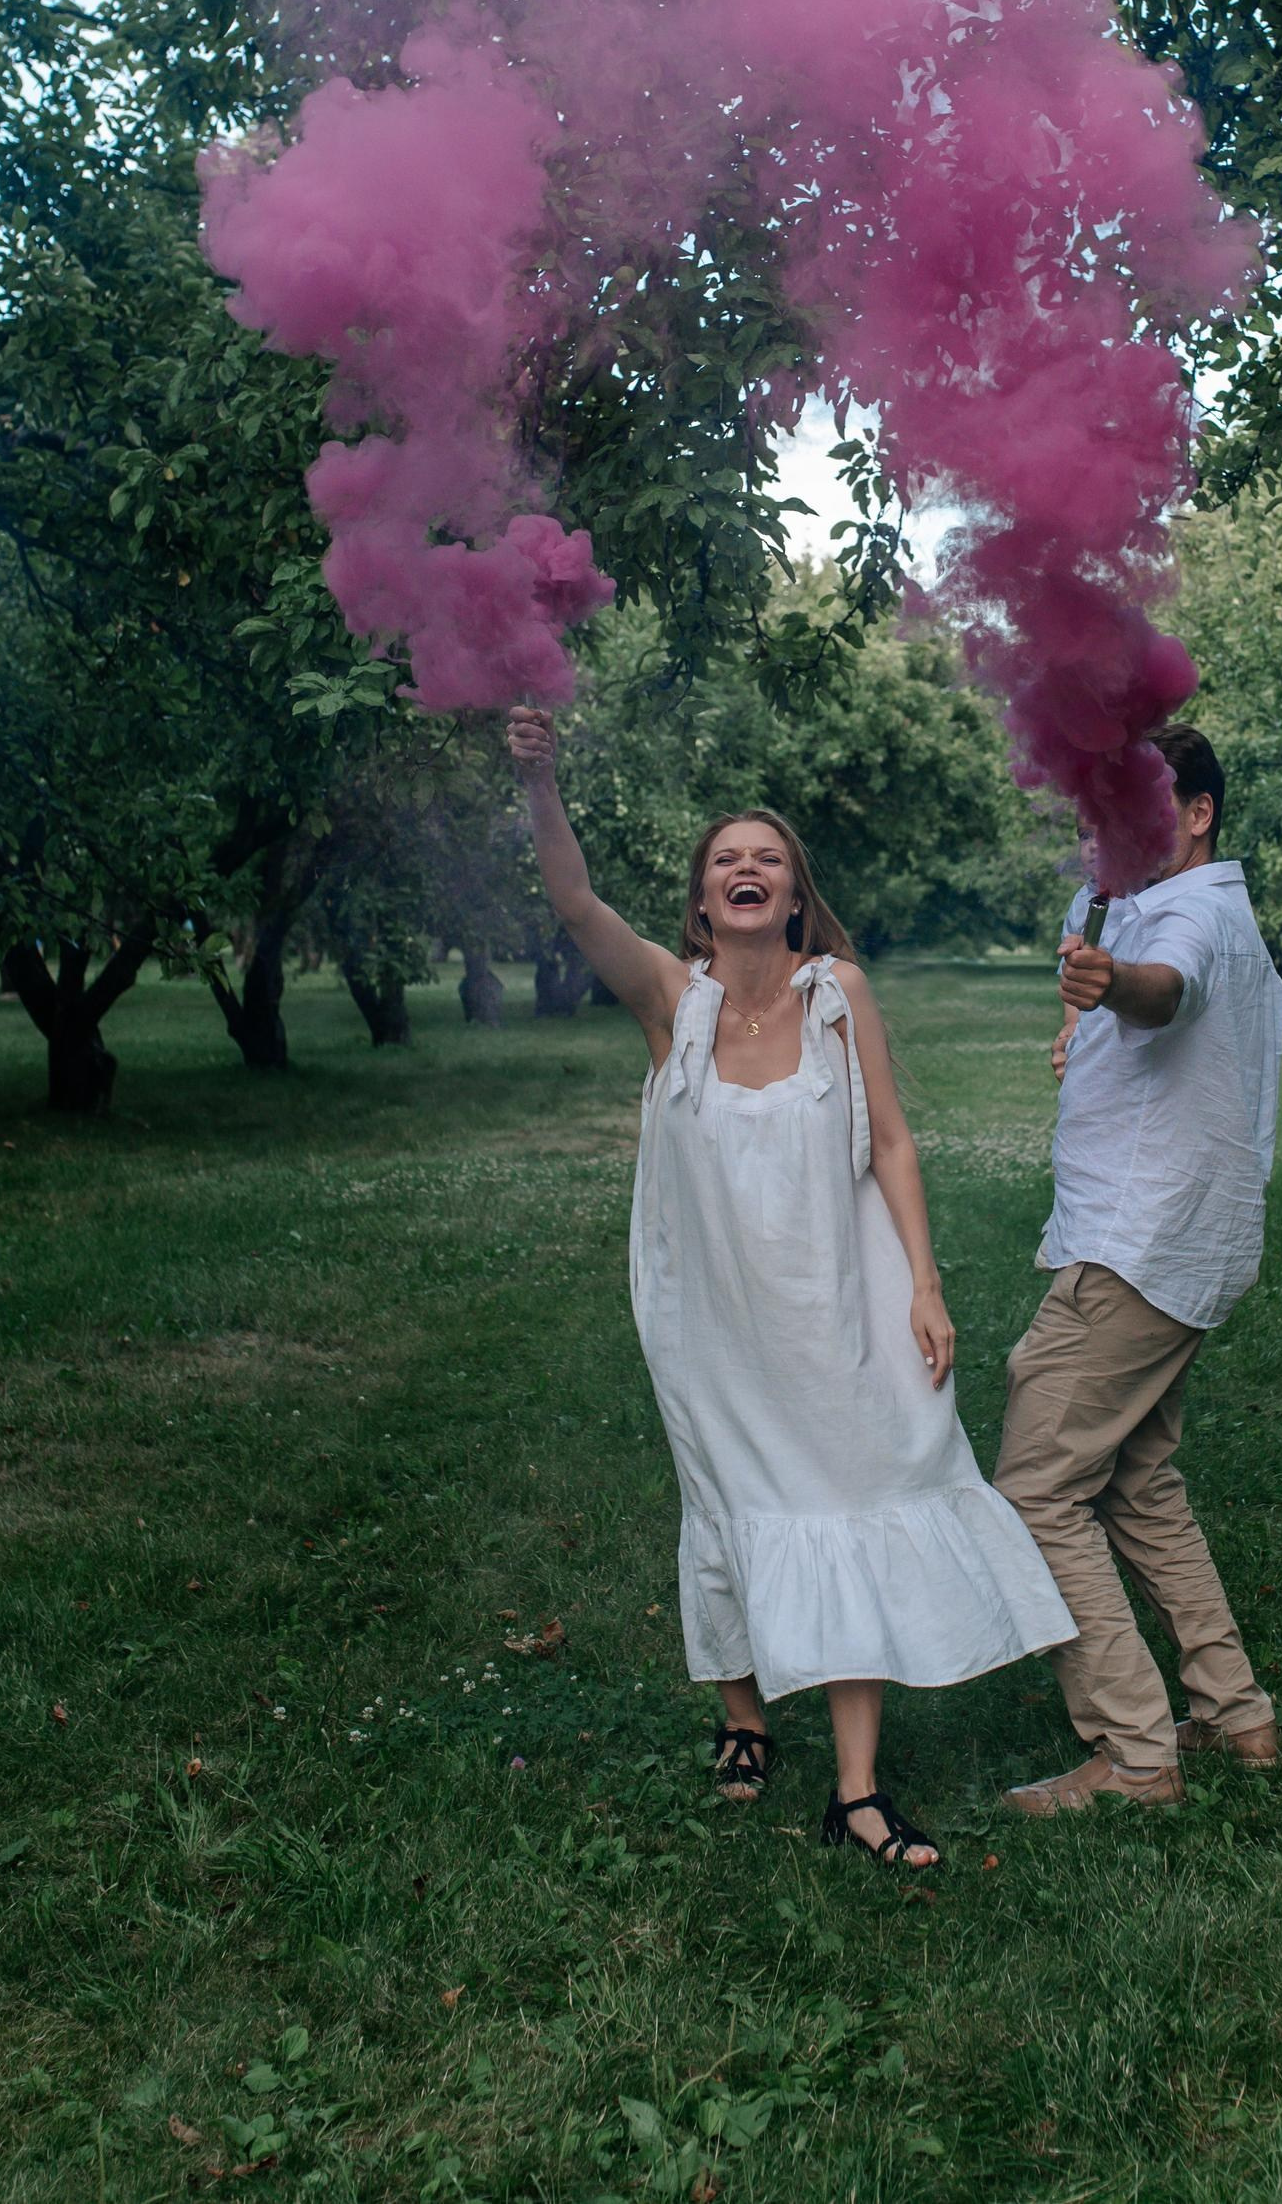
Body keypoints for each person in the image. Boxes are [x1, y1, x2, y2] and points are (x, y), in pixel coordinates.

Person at [507, 707, 1074, 1869]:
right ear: (700, 904)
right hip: (709, 1319)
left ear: (795, 895)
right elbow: (572, 903)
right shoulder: (673, 1001)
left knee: (856, 1489)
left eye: (767, 858)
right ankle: (744, 1720)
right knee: (728, 1507)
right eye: (726, 861)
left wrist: (923, 1284)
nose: (747, 870)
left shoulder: (836, 996)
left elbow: (894, 1148)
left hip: (838, 1300)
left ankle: (855, 1791)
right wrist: (540, 778)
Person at [995, 725, 1282, 1814]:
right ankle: (1230, 1710)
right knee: (1132, 1477)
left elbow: (1166, 992)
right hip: (1176, 1242)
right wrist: (1086, 1010)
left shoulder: (1200, 913)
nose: (1094, 829)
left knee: (1034, 1487)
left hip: (1139, 1246)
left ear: (1197, 814)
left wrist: (1115, 985)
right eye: (1089, 809)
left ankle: (1134, 1754)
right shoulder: (1119, 902)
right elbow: (1119, 998)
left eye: (1125, 806)